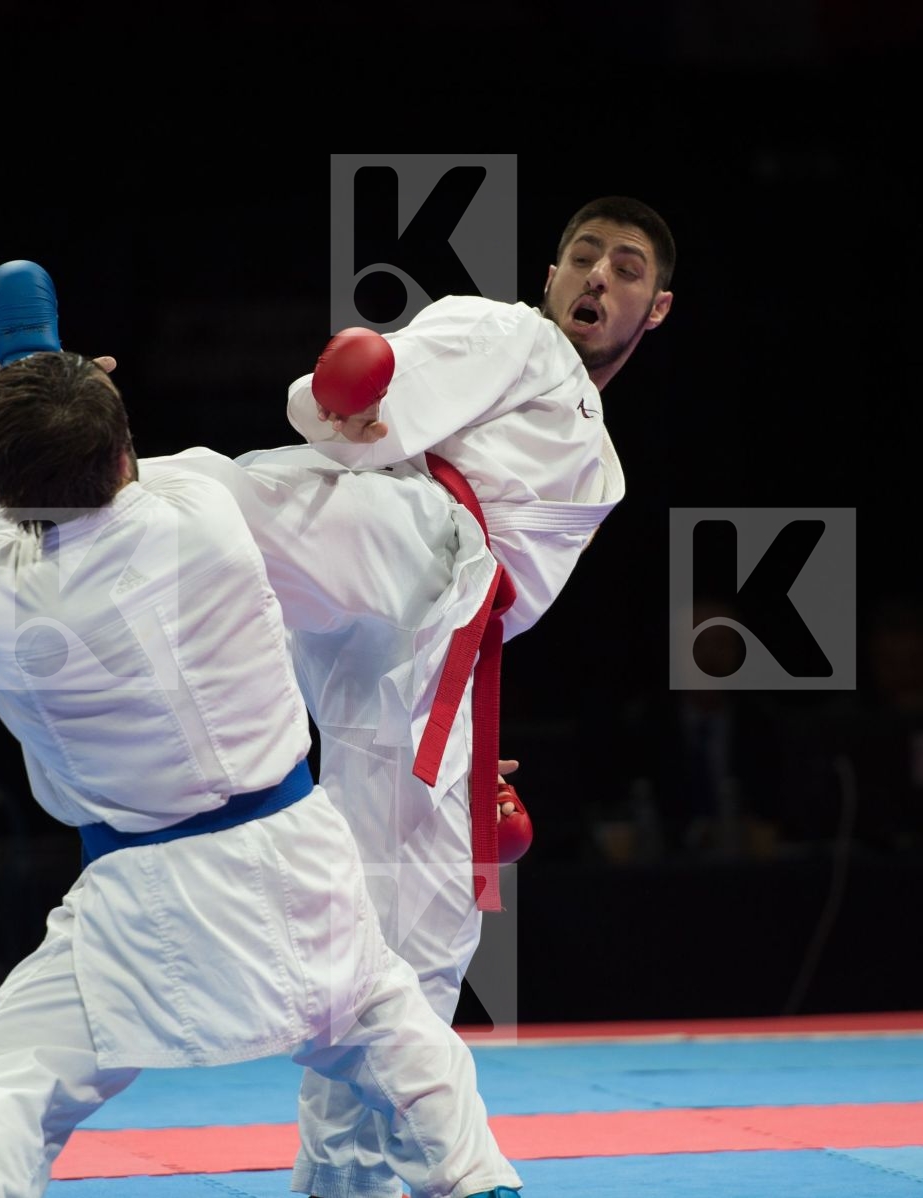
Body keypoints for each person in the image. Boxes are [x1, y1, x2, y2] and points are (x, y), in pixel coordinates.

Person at [0, 351, 521, 1198]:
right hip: (295, 862)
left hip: (139, 902)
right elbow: (23, 484)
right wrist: (47, 367)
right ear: (124, 456)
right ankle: (478, 1179)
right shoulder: (202, 509)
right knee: (386, 1026)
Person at [151, 195, 674, 1198]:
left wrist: (472, 731)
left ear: (656, 308)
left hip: (430, 647)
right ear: (554, 275)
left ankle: (346, 1182)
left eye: (627, 267)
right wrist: (356, 396)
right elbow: (367, 395)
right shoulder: (508, 330)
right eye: (583, 258)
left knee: (415, 941)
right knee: (225, 504)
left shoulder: (602, 469)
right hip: (401, 532)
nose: (600, 277)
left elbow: (499, 607)